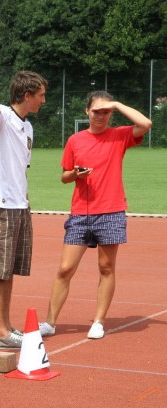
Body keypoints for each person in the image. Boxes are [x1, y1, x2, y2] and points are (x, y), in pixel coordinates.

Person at [39, 91, 152, 339]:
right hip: (81, 212)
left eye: (106, 112)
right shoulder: (75, 140)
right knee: (65, 268)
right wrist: (76, 174)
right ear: (87, 112)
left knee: (106, 267)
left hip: (111, 211)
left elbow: (145, 124)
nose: (101, 116)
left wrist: (117, 103)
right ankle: (50, 322)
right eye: (96, 111)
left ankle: (99, 322)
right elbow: (64, 176)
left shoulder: (119, 135)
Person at [0, 63, 48, 349]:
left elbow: (22, 169)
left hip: (20, 205)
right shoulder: (4, 118)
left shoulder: (28, 126)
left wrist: (27, 201)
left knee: (9, 270)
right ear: (27, 94)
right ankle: (0, 332)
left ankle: (6, 327)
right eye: (41, 95)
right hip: (2, 204)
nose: (44, 100)